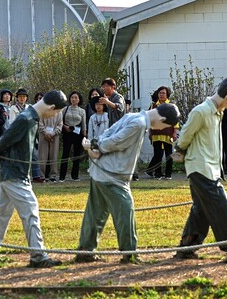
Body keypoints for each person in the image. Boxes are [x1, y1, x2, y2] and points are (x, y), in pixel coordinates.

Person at [75, 103, 180, 264]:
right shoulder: (140, 123)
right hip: (112, 174)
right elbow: (117, 141)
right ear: (163, 119)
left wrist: (96, 145)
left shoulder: (133, 116)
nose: (161, 129)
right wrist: (98, 146)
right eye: (165, 126)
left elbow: (109, 132)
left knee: (96, 212)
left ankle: (85, 250)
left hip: (102, 171)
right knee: (125, 209)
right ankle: (129, 252)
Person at [172, 75, 227, 264]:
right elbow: (185, 136)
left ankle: (187, 246)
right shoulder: (201, 111)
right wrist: (179, 150)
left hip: (210, 168)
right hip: (200, 168)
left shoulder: (218, 112)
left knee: (202, 209)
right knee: (220, 205)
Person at [0, 89, 67, 268]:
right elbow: (6, 139)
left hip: (12, 172)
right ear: (50, 107)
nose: (55, 115)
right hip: (15, 174)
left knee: (0, 213)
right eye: (56, 112)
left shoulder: (30, 118)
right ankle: (38, 255)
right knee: (30, 210)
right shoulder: (26, 119)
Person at [146, 86, 179, 180]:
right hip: (156, 134)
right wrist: (149, 132)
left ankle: (168, 174)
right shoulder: (153, 106)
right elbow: (149, 119)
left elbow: (176, 120)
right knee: (157, 155)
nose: (161, 95)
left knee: (169, 155)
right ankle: (157, 173)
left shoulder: (172, 106)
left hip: (168, 133)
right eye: (160, 93)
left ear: (167, 94)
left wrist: (175, 132)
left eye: (163, 93)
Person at [59, 91, 86, 182]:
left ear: (79, 100)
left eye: (76, 98)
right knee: (65, 154)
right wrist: (64, 126)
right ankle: (62, 176)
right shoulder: (65, 109)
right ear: (70, 99)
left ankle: (75, 175)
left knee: (77, 154)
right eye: (72, 97)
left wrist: (85, 135)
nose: (74, 99)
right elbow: (60, 120)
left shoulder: (82, 111)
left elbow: (84, 124)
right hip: (67, 133)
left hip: (78, 134)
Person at [38, 95, 63, 182]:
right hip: (43, 135)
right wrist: (45, 133)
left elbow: (60, 124)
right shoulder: (42, 110)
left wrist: (53, 133)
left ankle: (53, 175)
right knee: (42, 156)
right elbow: (39, 123)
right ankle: (41, 176)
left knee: (54, 155)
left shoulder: (59, 111)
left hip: (55, 136)